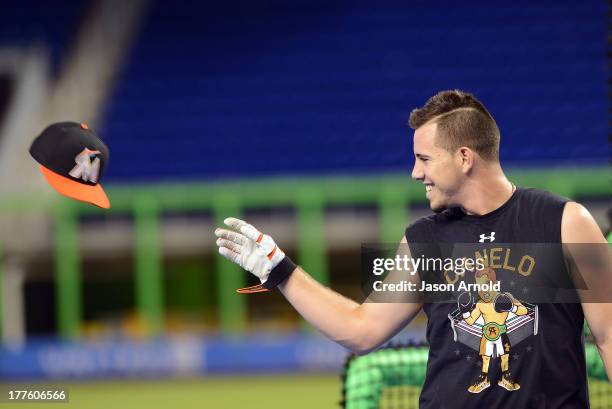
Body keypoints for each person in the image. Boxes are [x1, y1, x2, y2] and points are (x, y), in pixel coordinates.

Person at [214, 90, 611, 408]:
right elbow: (361, 330)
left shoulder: (565, 222)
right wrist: (279, 269)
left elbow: (609, 337)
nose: (415, 172)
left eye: (424, 158)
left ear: (464, 157)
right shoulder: (424, 241)